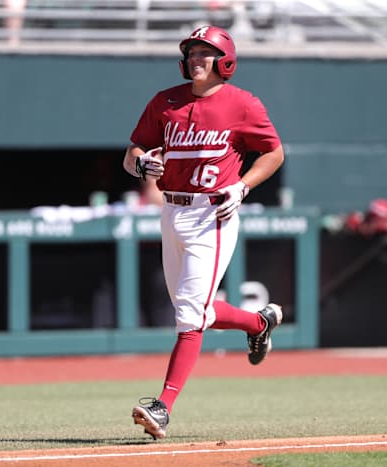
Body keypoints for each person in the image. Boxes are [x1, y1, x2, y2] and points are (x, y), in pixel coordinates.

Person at [122, 25, 285, 440]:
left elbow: (274, 152)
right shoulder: (165, 102)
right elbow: (133, 152)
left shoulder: (242, 104)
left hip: (213, 213)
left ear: (224, 60)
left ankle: (163, 406)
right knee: (201, 311)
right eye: (192, 53)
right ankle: (257, 324)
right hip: (171, 210)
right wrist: (141, 165)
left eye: (205, 53)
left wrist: (244, 184)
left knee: (189, 315)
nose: (196, 59)